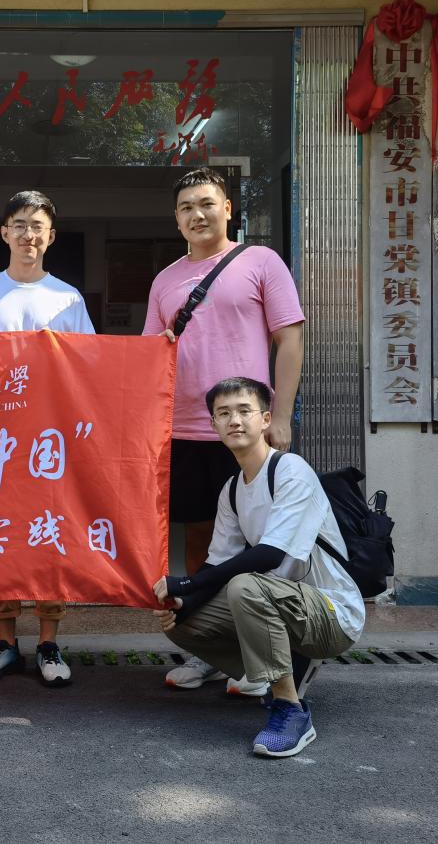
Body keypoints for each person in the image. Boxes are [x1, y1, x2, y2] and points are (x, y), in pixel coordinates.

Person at [143, 167, 305, 694]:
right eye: (186, 207)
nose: (198, 214)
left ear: (228, 208)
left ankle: (264, 657)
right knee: (201, 543)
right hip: (184, 429)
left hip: (247, 430)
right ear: (176, 218)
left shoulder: (261, 262)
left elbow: (290, 339)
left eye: (207, 203)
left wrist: (280, 415)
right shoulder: (165, 280)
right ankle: (211, 651)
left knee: (261, 543)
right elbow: (149, 358)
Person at [152, 377, 364, 758]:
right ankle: (279, 668)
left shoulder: (290, 470)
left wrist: (185, 584)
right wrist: (185, 602)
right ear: (213, 425)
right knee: (180, 621)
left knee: (245, 586)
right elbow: (217, 563)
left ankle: (291, 710)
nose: (234, 420)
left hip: (333, 612)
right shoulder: (232, 490)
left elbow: (269, 555)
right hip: (280, 602)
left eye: (244, 411)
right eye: (224, 413)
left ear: (265, 419)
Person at [0, 190, 94, 687]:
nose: (28, 235)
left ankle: (48, 641)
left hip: (50, 438)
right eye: (19, 224)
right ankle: (4, 642)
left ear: (51, 236)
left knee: (47, 532)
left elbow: (90, 364)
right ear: (5, 233)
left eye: (37, 226)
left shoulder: (68, 297)